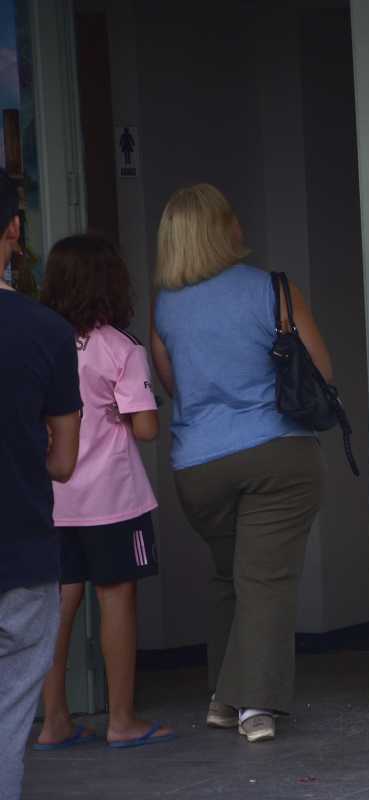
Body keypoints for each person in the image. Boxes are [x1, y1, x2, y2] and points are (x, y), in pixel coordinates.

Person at [151, 183, 330, 743]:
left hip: (198, 468)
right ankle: (254, 705)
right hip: (276, 454)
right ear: (221, 228)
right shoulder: (273, 290)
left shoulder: (165, 308)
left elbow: (176, 386)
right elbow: (323, 374)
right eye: (233, 217)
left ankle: (221, 697)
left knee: (231, 576)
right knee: (266, 580)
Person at [35, 235, 175, 750]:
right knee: (118, 602)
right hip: (114, 501)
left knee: (57, 609)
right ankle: (121, 721)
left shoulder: (42, 342)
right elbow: (145, 430)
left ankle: (53, 722)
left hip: (55, 498)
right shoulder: (121, 347)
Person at [0, 171, 82, 797]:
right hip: (20, 552)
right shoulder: (46, 332)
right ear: (14, 231)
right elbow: (62, 463)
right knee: (7, 720)